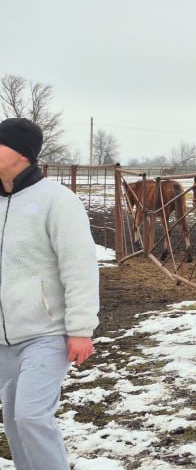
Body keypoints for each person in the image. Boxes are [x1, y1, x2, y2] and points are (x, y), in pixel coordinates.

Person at [0, 117, 99, 469]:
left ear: (23, 154)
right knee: (13, 422)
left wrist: (81, 328)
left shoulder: (57, 200)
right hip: (3, 340)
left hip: (46, 333)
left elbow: (80, 266)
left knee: (31, 417)